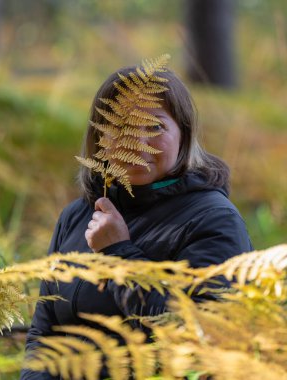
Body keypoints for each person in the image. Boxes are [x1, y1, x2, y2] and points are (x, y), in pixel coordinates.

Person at [21, 64, 253, 379]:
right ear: (99, 136)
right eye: (121, 125)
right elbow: (44, 329)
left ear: (183, 135)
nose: (138, 141)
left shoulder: (214, 220)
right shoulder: (76, 216)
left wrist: (119, 254)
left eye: (155, 127)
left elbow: (199, 337)